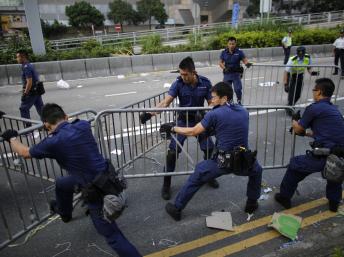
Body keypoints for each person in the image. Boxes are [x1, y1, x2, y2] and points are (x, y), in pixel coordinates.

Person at [1, 103, 141, 257]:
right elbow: (69, 123)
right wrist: (53, 127)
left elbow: (25, 152)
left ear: (46, 124)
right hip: (107, 177)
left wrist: (12, 138)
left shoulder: (53, 142)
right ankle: (65, 213)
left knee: (113, 236)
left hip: (95, 190)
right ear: (66, 117)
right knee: (62, 183)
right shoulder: (82, 125)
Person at [161, 82, 263, 221]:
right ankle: (252, 203)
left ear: (224, 98)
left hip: (224, 161)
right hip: (244, 159)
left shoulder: (214, 114)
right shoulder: (243, 110)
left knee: (198, 173)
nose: (211, 100)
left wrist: (173, 128)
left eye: (214, 97)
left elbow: (193, 131)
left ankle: (177, 208)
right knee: (257, 171)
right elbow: (228, 128)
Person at [139, 57, 219, 200]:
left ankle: (209, 176)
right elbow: (165, 102)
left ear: (193, 72)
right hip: (182, 121)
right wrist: (149, 114)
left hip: (199, 121)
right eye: (181, 74)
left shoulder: (205, 83)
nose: (182, 77)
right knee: (172, 153)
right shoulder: (178, 83)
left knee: (209, 149)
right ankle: (166, 184)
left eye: (185, 74)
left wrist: (208, 111)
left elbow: (212, 102)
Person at [275, 78, 344, 213]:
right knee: (334, 173)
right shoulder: (334, 110)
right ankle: (334, 203)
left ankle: (284, 197)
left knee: (295, 166)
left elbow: (299, 129)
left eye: (314, 90)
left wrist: (295, 120)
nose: (313, 92)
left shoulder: (314, 108)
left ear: (319, 92)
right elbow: (321, 133)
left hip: (324, 153)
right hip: (340, 153)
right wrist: (306, 134)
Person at [283, 46, 318, 114]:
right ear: (297, 53)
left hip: (300, 77)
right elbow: (286, 72)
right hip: (292, 77)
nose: (301, 56)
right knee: (292, 94)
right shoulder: (292, 59)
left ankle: (290, 105)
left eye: (302, 55)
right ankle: (290, 108)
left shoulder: (308, 57)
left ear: (304, 53)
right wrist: (285, 84)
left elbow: (309, 68)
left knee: (298, 95)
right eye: (299, 55)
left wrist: (312, 72)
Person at [219, 36, 252, 105]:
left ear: (235, 44)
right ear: (227, 44)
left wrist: (247, 64)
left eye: (233, 44)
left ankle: (239, 101)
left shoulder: (239, 52)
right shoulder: (224, 52)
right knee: (227, 90)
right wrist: (224, 68)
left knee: (238, 89)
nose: (231, 45)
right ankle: (230, 102)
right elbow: (220, 62)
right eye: (230, 44)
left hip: (236, 74)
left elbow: (245, 60)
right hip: (227, 74)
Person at [16, 49, 44, 121]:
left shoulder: (26, 67)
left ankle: (28, 130)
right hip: (36, 90)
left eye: (18, 57)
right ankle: (47, 125)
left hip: (31, 92)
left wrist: (25, 93)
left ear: (23, 57)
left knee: (23, 109)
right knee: (41, 109)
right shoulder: (30, 65)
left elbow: (29, 82)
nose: (17, 59)